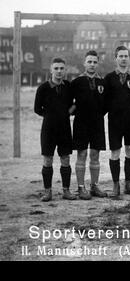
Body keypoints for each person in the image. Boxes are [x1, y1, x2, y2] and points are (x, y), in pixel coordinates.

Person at [34, 57, 77, 201]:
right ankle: (48, 191)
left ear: (65, 70)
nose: (59, 71)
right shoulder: (43, 88)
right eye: (56, 68)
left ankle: (66, 191)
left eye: (61, 68)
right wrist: (50, 116)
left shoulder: (69, 87)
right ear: (51, 70)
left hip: (64, 128)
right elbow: (37, 109)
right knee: (48, 159)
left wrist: (68, 112)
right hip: (48, 129)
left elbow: (75, 104)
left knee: (65, 159)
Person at [70, 50, 108, 200]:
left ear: (98, 64)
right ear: (84, 63)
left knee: (95, 154)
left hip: (97, 122)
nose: (92, 64)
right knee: (82, 154)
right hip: (81, 123)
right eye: (89, 62)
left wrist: (98, 115)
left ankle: (94, 185)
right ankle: (80, 187)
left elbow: (106, 104)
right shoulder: (76, 82)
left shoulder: (102, 83)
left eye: (94, 62)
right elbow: (70, 103)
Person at [104, 46, 130, 197]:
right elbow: (104, 100)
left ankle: (128, 184)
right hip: (114, 120)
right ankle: (115, 185)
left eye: (126, 56)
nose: (123, 58)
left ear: (129, 58)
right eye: (120, 56)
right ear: (116, 58)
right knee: (115, 152)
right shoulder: (109, 78)